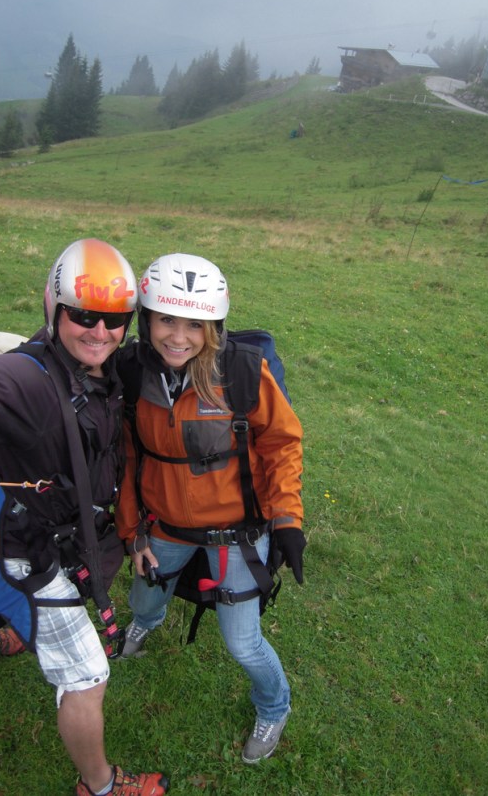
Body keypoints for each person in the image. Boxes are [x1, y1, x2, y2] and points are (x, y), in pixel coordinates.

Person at [0, 239, 169, 796]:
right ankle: (101, 786)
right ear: (54, 308)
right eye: (85, 316)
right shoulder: (24, 384)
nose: (101, 333)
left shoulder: (91, 368)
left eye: (115, 320)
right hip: (31, 552)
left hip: (28, 525)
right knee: (87, 676)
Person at [115, 253, 305, 764]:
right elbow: (130, 456)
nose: (179, 337)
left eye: (195, 325)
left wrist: (287, 520)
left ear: (213, 327)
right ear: (145, 320)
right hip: (164, 529)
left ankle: (275, 705)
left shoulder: (242, 375)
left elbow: (281, 444)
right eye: (166, 320)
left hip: (236, 534)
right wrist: (132, 531)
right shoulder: (131, 375)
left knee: (243, 644)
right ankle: (143, 628)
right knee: (145, 601)